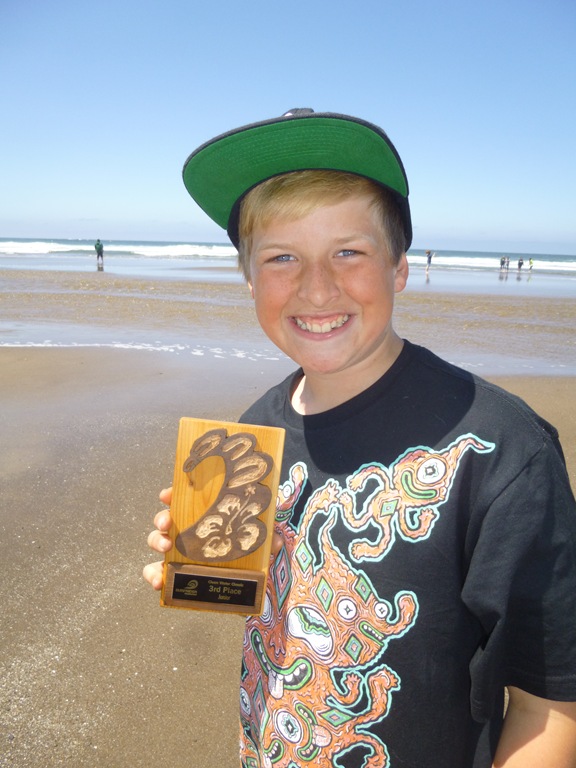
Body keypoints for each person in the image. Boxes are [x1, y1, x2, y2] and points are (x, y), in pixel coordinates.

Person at [143, 109, 576, 767]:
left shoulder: (503, 451)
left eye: (348, 251)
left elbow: (552, 705)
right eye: (282, 257)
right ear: (249, 277)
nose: (317, 287)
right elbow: (272, 615)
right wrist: (209, 568)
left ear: (399, 266)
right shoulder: (250, 435)